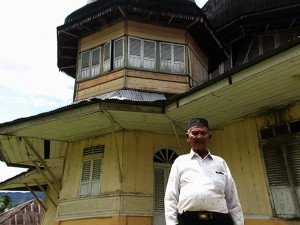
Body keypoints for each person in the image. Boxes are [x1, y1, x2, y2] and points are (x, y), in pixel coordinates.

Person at [164, 118, 244, 225]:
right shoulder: (180, 162)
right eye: (195, 133)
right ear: (187, 137)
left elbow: (232, 199)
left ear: (209, 137)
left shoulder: (220, 162)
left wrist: (238, 223)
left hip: (220, 220)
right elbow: (171, 197)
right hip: (188, 221)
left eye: (203, 133)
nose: (199, 136)